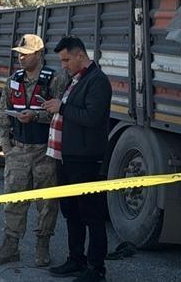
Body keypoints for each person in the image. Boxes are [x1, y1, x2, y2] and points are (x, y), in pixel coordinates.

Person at [0, 34, 68, 267]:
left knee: (46, 203)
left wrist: (37, 116)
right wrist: (7, 149)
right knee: (14, 200)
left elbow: (62, 112)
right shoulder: (14, 80)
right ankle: (10, 245)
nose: (21, 58)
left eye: (26, 54)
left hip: (45, 150)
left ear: (39, 54)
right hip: (19, 150)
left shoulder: (55, 79)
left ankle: (42, 246)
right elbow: (2, 114)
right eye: (19, 54)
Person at [42, 36, 112, 282]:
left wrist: (60, 107)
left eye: (66, 60)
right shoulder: (75, 80)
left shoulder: (98, 81)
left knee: (92, 215)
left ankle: (96, 268)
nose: (64, 65)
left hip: (86, 160)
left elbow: (92, 117)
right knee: (71, 212)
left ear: (80, 55)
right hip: (67, 158)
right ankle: (76, 260)